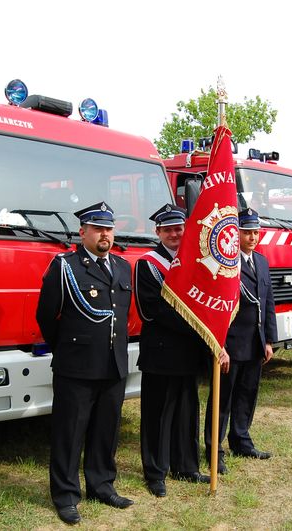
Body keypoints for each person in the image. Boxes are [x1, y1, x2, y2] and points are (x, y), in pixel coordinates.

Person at [36, 202, 134, 525]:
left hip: (113, 365)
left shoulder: (121, 267)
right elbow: (46, 317)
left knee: (107, 430)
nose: (104, 234)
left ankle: (101, 484)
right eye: (97, 228)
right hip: (76, 367)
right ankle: (65, 495)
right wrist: (67, 349)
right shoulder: (65, 267)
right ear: (83, 232)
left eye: (108, 228)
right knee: (70, 433)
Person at [135, 204, 211, 498]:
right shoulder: (148, 264)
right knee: (157, 415)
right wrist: (196, 324)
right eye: (167, 229)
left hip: (189, 353)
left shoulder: (195, 261)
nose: (174, 234)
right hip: (162, 354)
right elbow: (150, 310)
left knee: (186, 412)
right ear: (158, 232)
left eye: (178, 228)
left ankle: (186, 466)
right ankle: (156, 472)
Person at [204, 208, 278, 472]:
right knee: (222, 398)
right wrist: (219, 344)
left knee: (247, 394)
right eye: (247, 232)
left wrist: (269, 339)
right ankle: (215, 448)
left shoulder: (261, 262)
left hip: (255, 341)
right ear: (237, 234)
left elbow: (268, 303)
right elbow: (216, 307)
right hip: (232, 343)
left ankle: (241, 439)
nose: (252, 237)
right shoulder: (225, 263)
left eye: (256, 232)